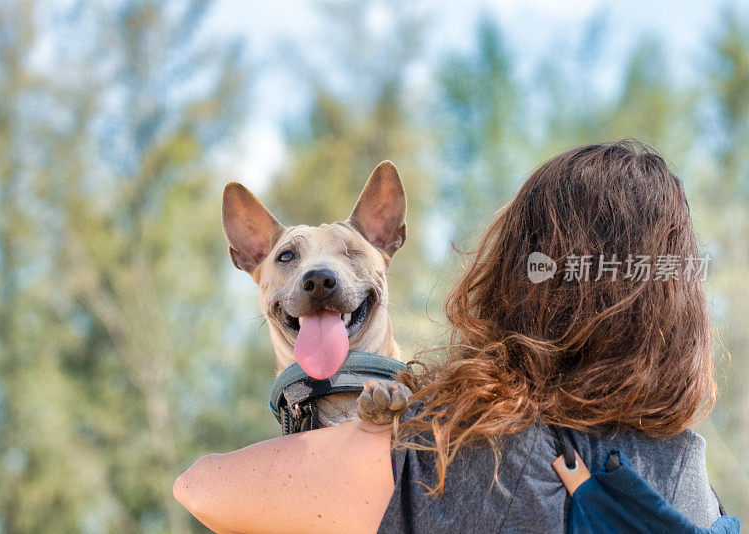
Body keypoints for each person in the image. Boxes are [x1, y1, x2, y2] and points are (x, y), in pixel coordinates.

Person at [173, 141, 726, 533]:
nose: (319, 275)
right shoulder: (687, 475)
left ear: (514, 281)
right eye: (291, 258)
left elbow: (199, 488)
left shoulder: (453, 452)